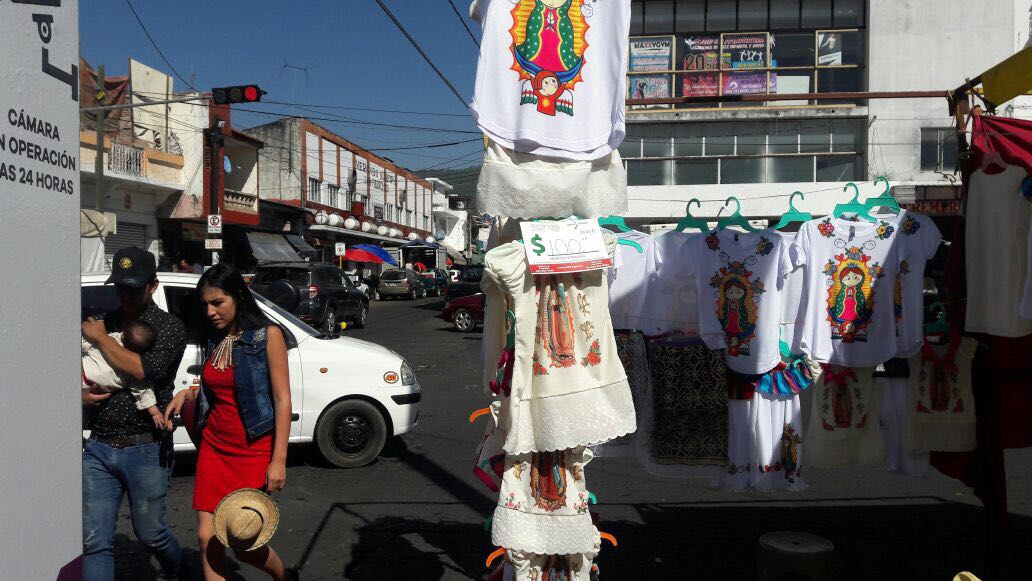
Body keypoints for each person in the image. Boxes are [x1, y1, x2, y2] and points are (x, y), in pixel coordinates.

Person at [164, 263, 297, 581]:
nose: (210, 311)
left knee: (243, 543)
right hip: (214, 449)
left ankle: (283, 576)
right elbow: (221, 387)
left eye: (217, 302)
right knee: (206, 538)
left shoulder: (268, 335)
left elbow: (282, 400)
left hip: (253, 450)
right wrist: (188, 392)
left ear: (238, 296)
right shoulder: (214, 338)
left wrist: (278, 461)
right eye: (205, 305)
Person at [81, 246, 187, 581]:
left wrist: (100, 338)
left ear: (152, 286)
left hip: (145, 447)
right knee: (95, 541)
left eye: (133, 287)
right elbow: (84, 366)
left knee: (150, 532)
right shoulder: (104, 322)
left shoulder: (168, 327)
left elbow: (143, 370)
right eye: (120, 287)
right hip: (98, 446)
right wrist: (81, 394)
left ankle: (177, 568)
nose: (125, 295)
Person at [82, 319, 167, 431]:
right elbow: (142, 391)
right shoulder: (130, 363)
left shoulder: (109, 340)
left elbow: (87, 343)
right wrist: (155, 412)